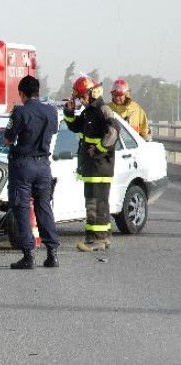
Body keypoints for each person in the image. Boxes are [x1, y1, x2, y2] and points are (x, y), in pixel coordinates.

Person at [3, 75, 60, 269]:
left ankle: (28, 255)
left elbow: (8, 139)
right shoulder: (51, 111)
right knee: (44, 207)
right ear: (38, 91)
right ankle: (52, 254)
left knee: (21, 208)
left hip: (23, 165)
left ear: (21, 93)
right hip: (44, 165)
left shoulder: (19, 112)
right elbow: (53, 132)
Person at [64, 76, 120, 252]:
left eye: (83, 95)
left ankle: (96, 240)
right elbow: (75, 127)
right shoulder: (88, 111)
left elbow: (111, 135)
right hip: (91, 167)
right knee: (95, 202)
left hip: (100, 166)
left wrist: (96, 150)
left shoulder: (103, 110)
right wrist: (69, 113)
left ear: (93, 92)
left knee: (96, 203)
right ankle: (102, 237)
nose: (82, 99)